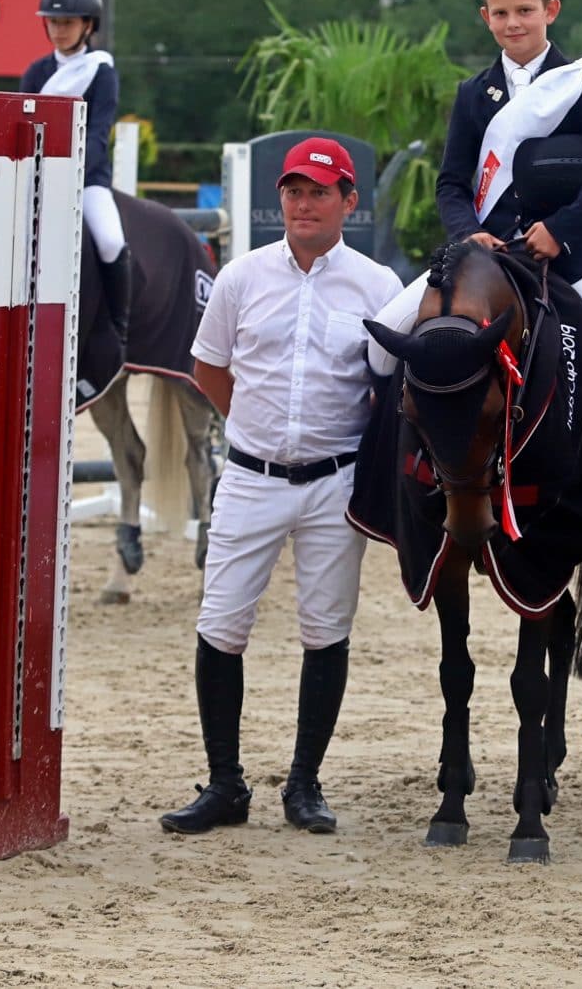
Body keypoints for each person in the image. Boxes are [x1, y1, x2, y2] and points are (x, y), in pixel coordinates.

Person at [161, 137, 403, 837]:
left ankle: (305, 783)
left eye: (319, 192)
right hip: (252, 474)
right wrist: (252, 426)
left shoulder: (378, 287)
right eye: (294, 191)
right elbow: (209, 368)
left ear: (348, 202)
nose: (303, 203)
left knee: (326, 628)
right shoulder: (241, 276)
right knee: (221, 623)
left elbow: (389, 388)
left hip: (335, 480)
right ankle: (225, 782)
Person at [369, 0, 582, 501]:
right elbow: (452, 183)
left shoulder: (579, 85)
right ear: (485, 17)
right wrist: (467, 233)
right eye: (500, 14)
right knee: (383, 339)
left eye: (524, 11)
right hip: (483, 257)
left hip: (567, 252)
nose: (513, 23)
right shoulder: (472, 94)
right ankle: (396, 472)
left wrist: (562, 229)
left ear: (551, 10)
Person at [21, 0, 129, 345]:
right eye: (53, 22)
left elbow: (98, 134)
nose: (59, 30)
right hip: (35, 177)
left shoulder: (101, 72)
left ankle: (119, 327)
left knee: (110, 241)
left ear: (87, 25)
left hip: (87, 180)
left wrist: (69, 173)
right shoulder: (36, 73)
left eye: (67, 23)